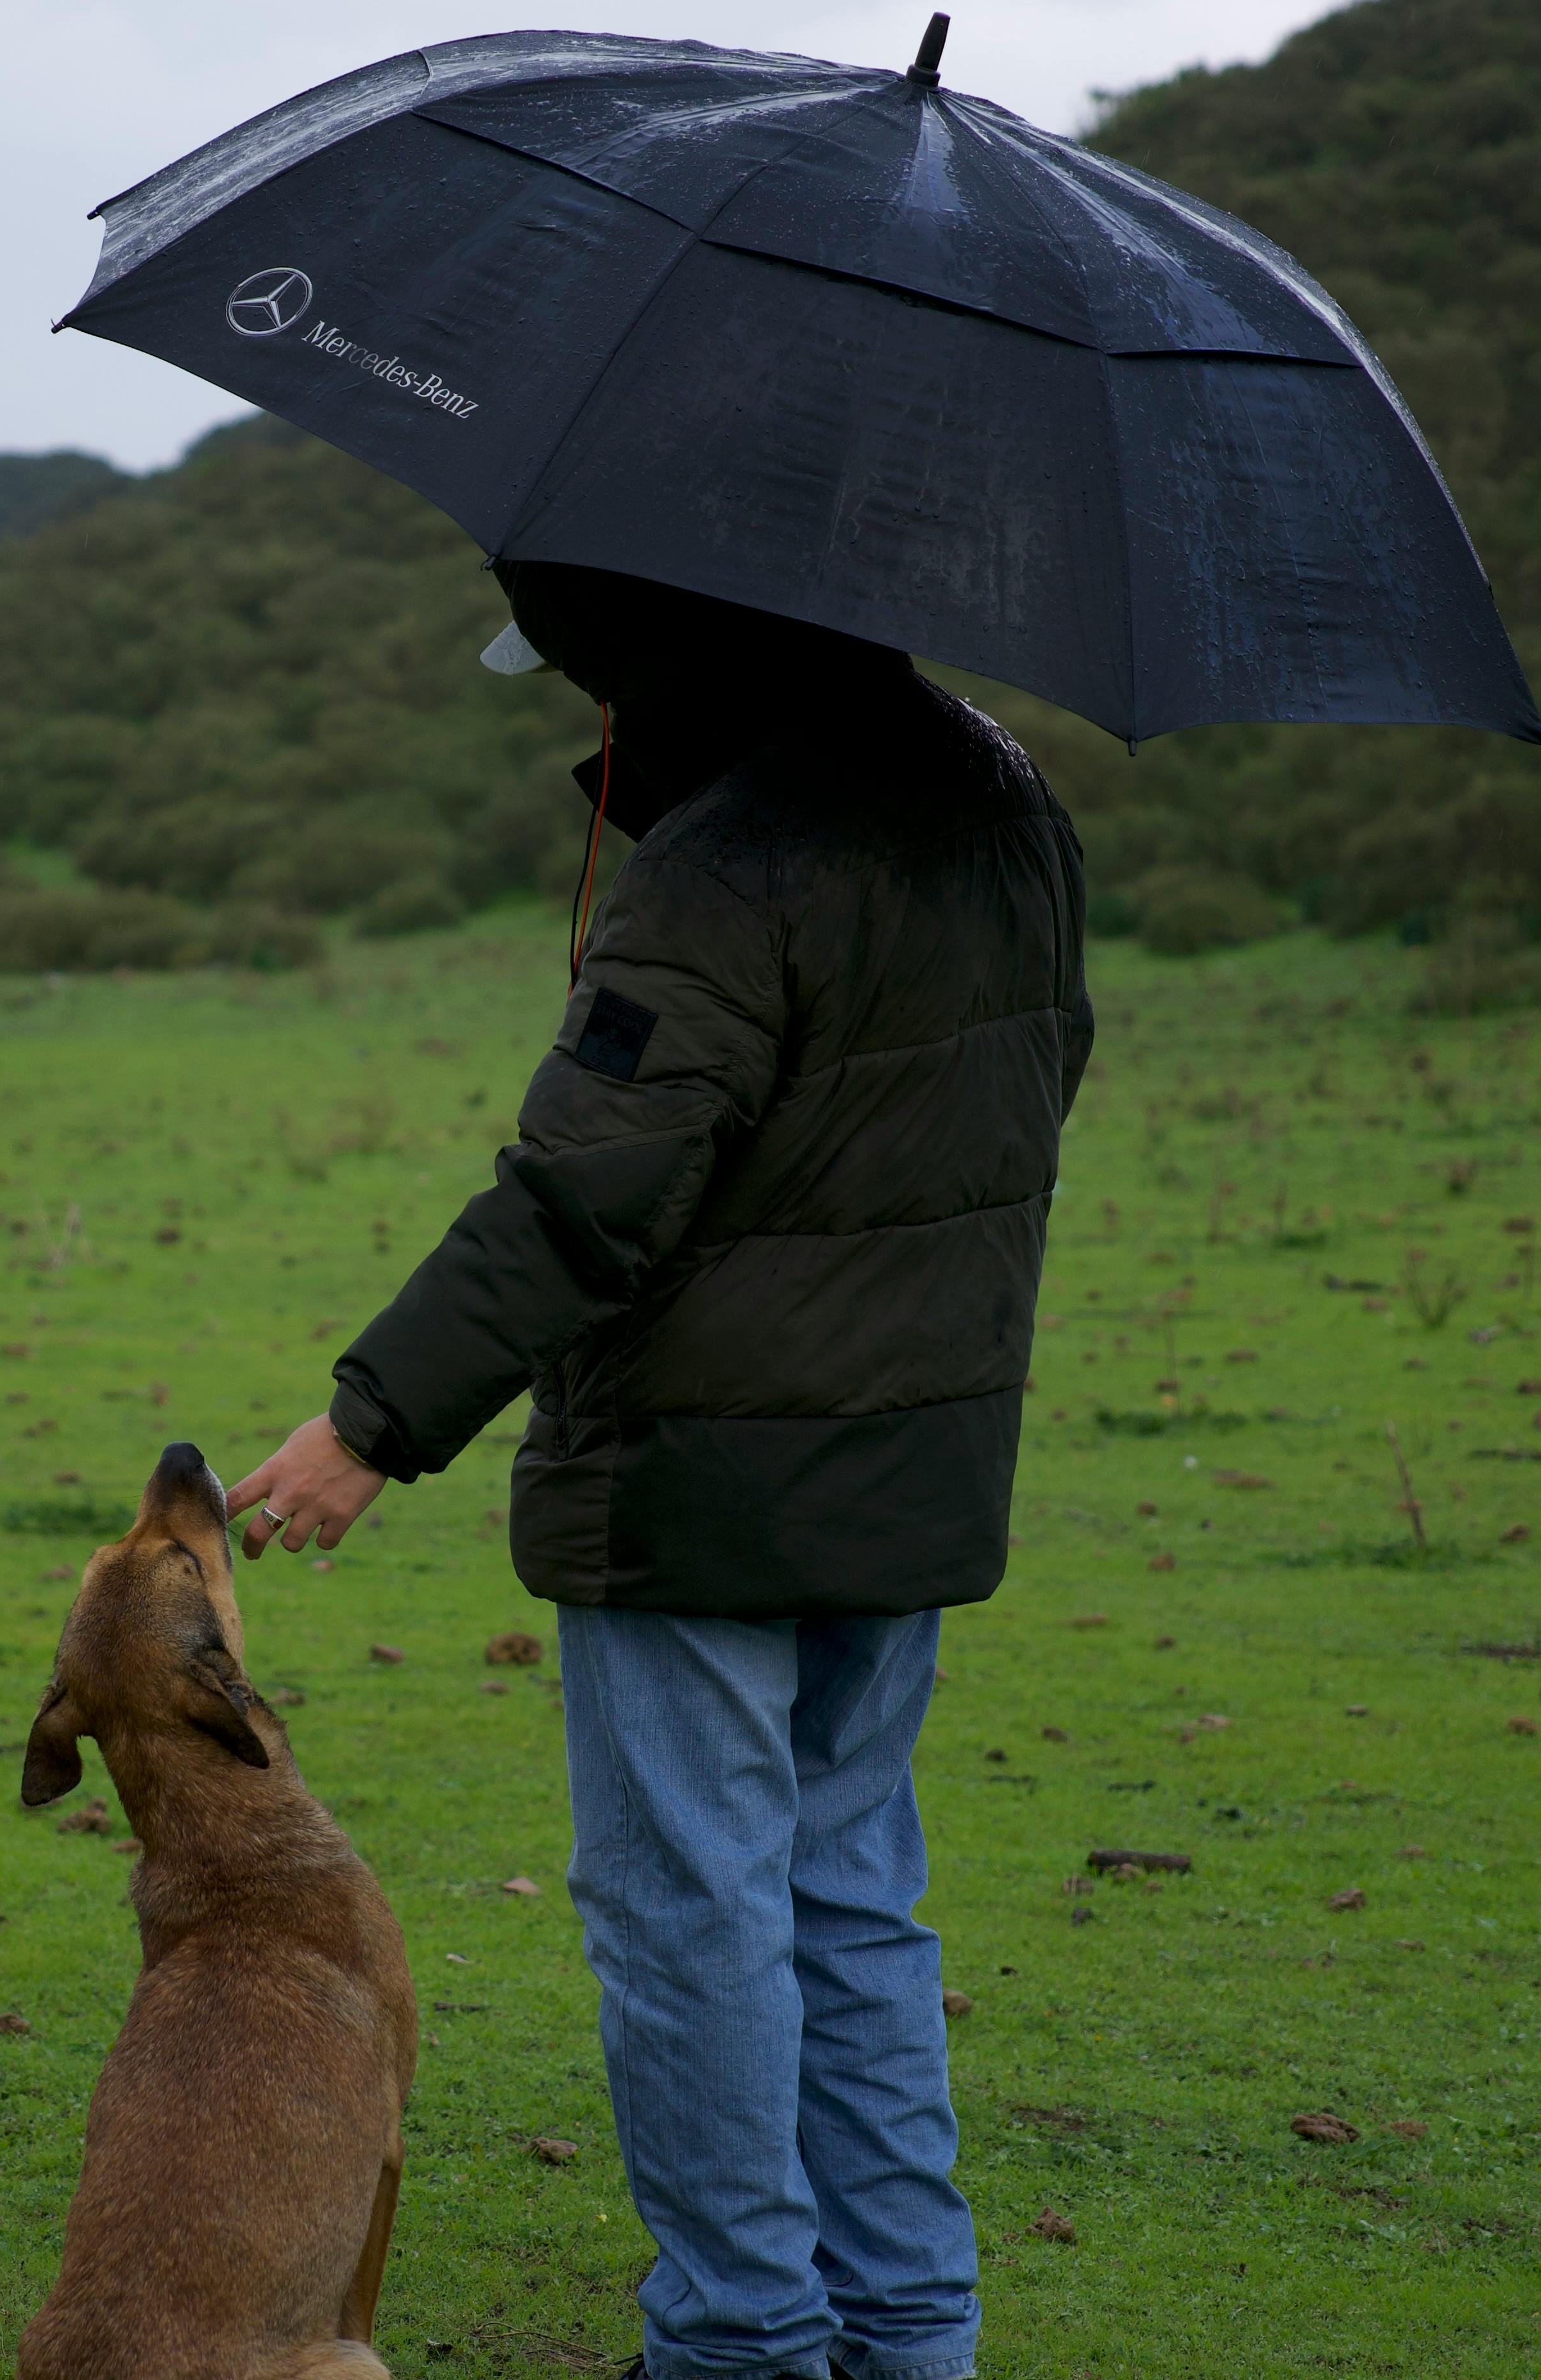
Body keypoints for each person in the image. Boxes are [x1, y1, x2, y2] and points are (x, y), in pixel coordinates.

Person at [230, 558, 1092, 2380]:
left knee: (691, 1909)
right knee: (852, 1892)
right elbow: (1018, 1099)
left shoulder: (726, 860)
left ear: (665, 653)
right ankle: (905, 2333)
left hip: (701, 1487)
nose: (587, 717)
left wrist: (368, 1425)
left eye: (591, 680)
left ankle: (740, 2343)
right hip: (915, 1466)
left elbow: (585, 1195)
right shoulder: (1009, 800)